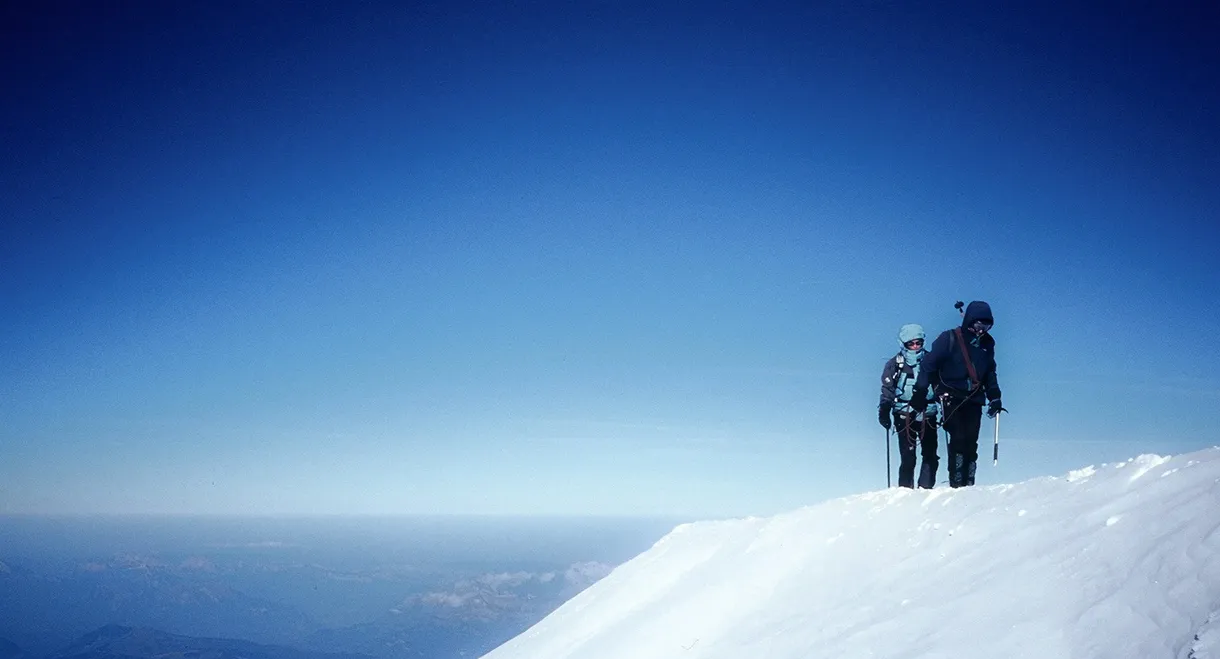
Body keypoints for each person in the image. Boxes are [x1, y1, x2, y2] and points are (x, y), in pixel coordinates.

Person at [911, 301, 1004, 488]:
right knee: (959, 439)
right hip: (950, 397)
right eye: (978, 325)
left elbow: (990, 372)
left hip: (975, 398)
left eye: (986, 325)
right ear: (969, 321)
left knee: (972, 443)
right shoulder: (949, 338)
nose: (982, 329)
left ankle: (969, 484)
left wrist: (995, 396)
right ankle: (957, 484)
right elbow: (929, 365)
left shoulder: (987, 344)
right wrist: (920, 392)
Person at [878, 323, 940, 488]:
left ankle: (925, 490)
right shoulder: (894, 364)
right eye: (910, 343)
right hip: (903, 414)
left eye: (918, 343)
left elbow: (940, 385)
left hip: (928, 413)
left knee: (930, 455)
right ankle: (905, 493)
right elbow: (887, 389)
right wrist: (884, 409)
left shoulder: (931, 362)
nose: (915, 347)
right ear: (903, 343)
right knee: (908, 456)